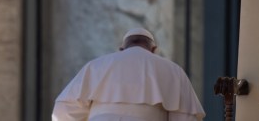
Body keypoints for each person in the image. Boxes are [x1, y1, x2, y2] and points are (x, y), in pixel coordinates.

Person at [52, 28, 205, 121]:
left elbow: (63, 109)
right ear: (153, 49)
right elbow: (185, 117)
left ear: (121, 49)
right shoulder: (173, 70)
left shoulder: (96, 66)